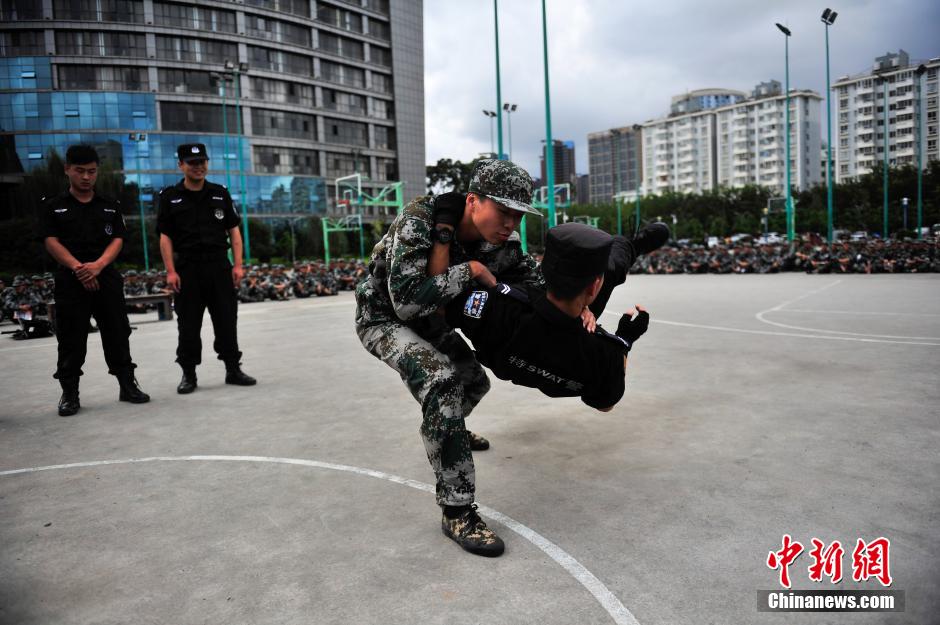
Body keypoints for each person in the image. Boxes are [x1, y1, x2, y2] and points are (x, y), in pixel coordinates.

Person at [355, 159, 544, 558]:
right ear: (473, 201)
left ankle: (446, 430)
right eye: (503, 211)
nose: (511, 223)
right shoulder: (420, 219)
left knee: (474, 382)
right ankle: (457, 510)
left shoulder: (501, 242)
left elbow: (533, 282)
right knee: (441, 380)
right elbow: (406, 302)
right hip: (383, 317)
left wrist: (576, 305)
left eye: (518, 215)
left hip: (429, 319)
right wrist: (470, 269)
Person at [441, 222, 668, 410]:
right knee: (614, 264)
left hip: (519, 322)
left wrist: (475, 269)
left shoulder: (495, 307)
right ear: (594, 287)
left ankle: (624, 248)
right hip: (573, 332)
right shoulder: (604, 355)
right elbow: (604, 404)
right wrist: (624, 341)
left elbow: (441, 303)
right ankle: (630, 245)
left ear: (543, 272)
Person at [38, 144, 150, 416]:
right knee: (71, 337)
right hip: (70, 279)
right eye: (80, 171)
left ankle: (127, 384)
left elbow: (118, 239)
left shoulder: (110, 206)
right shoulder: (53, 206)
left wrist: (98, 266)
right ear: (67, 170)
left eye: (91, 172)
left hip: (106, 277)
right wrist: (79, 268)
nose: (86, 177)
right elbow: (50, 241)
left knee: (117, 332)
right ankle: (70, 393)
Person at [156, 143, 256, 393]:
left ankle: (233, 369)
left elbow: (234, 231)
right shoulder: (170, 197)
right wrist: (170, 271)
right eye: (192, 163)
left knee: (226, 320)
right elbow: (165, 237)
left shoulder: (220, 193)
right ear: (181, 165)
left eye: (202, 162)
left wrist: (238, 265)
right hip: (187, 268)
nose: (198, 167)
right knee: (188, 324)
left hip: (219, 266)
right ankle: (189, 374)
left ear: (207, 164)